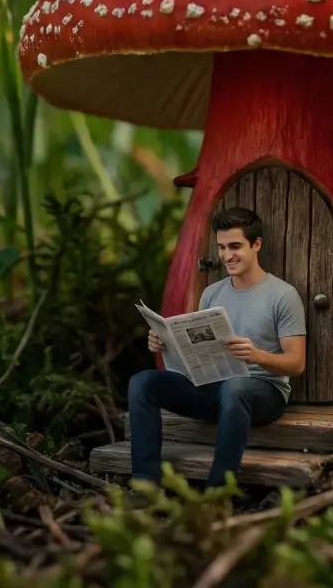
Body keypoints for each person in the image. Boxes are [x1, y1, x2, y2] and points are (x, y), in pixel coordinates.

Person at [127, 205, 307, 489]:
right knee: (142, 382)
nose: (226, 256)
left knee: (235, 387)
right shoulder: (212, 293)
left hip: (262, 393)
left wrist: (257, 355)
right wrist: (165, 345)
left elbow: (297, 364)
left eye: (235, 246)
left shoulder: (283, 295)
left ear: (256, 244)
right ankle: (145, 483)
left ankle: (218, 491)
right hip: (213, 388)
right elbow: (195, 357)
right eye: (222, 247)